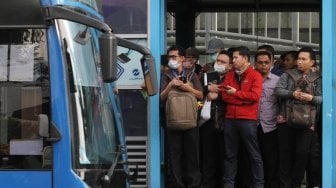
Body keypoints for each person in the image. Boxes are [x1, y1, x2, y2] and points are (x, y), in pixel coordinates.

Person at [274, 47, 322, 188]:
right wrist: (292, 94)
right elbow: (278, 91)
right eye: (298, 59)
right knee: (285, 155)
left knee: (302, 155)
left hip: (307, 123)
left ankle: (296, 183)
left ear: (312, 62)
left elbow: (322, 98)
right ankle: (285, 185)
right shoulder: (287, 75)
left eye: (303, 59)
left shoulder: (318, 78)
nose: (299, 62)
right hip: (286, 121)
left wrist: (312, 98)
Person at [220, 46, 264, 188]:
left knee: (253, 154)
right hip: (230, 120)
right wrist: (242, 99)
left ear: (245, 59)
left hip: (248, 121)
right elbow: (225, 96)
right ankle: (229, 184)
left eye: (235, 58)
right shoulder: (230, 74)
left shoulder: (255, 75)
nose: (233, 61)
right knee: (229, 155)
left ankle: (258, 184)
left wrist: (236, 94)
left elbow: (255, 96)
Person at [160, 45, 203, 188]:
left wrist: (188, 88)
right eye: (169, 57)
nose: (171, 60)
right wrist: (170, 85)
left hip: (191, 122)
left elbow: (201, 95)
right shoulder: (166, 76)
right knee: (174, 156)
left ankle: (193, 184)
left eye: (174, 57)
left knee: (192, 156)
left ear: (182, 58)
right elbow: (161, 97)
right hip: (172, 121)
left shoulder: (192, 74)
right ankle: (177, 185)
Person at [199, 50, 232, 188]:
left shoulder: (233, 78)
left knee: (226, 159)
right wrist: (207, 90)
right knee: (208, 160)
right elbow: (197, 93)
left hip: (227, 124)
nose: (219, 64)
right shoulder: (207, 76)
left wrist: (218, 95)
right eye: (218, 61)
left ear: (230, 66)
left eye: (223, 62)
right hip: (208, 122)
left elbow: (237, 97)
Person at [254, 50, 280, 188]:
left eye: (266, 63)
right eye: (260, 63)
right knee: (252, 160)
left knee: (271, 161)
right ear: (255, 63)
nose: (263, 65)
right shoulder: (250, 79)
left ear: (272, 63)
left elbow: (282, 103)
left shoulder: (278, 81)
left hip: (270, 126)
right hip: (251, 125)